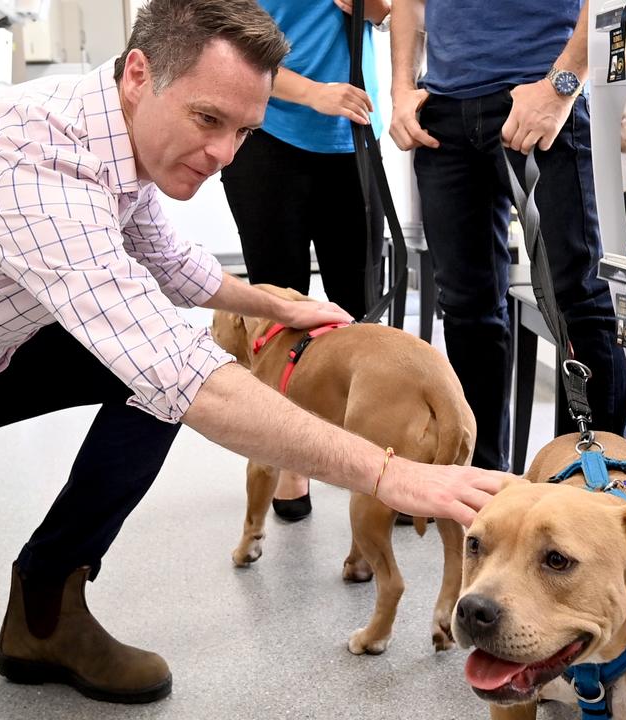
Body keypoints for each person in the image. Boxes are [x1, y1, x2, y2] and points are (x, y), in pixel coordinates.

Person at [0, 2, 507, 718]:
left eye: (243, 131)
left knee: (148, 367)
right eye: (208, 120)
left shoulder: (115, 132)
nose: (223, 154)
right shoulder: (35, 167)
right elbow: (185, 373)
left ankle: (45, 606)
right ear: (140, 73)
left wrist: (278, 303)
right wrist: (388, 475)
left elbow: (170, 266)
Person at [389, 0, 626, 472]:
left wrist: (561, 87)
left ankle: (590, 490)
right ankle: (483, 487)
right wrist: (402, 88)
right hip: (443, 113)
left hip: (539, 95)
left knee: (578, 299)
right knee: (466, 307)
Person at [220, 0, 390, 520]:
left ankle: (376, 456)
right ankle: (289, 457)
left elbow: (389, 15)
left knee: (359, 312)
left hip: (353, 133)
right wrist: (312, 92)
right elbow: (229, 41)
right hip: (268, 132)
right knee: (276, 308)